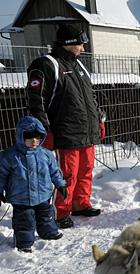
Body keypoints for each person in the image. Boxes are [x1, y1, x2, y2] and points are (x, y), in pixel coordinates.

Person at [26, 24, 105, 229]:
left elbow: (91, 98)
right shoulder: (47, 64)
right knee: (66, 175)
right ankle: (61, 212)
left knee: (86, 170)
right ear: (69, 43)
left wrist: (99, 120)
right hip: (65, 133)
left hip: (86, 132)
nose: (83, 48)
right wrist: (45, 130)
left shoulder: (80, 66)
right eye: (80, 44)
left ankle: (81, 204)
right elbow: (36, 102)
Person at [0, 116, 67, 253]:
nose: (34, 141)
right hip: (21, 197)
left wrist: (60, 184)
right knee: (25, 221)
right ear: (20, 136)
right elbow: (1, 175)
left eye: (38, 138)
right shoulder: (10, 156)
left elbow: (55, 172)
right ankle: (24, 242)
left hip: (43, 194)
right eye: (30, 138)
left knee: (46, 215)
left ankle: (48, 232)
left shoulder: (46, 154)